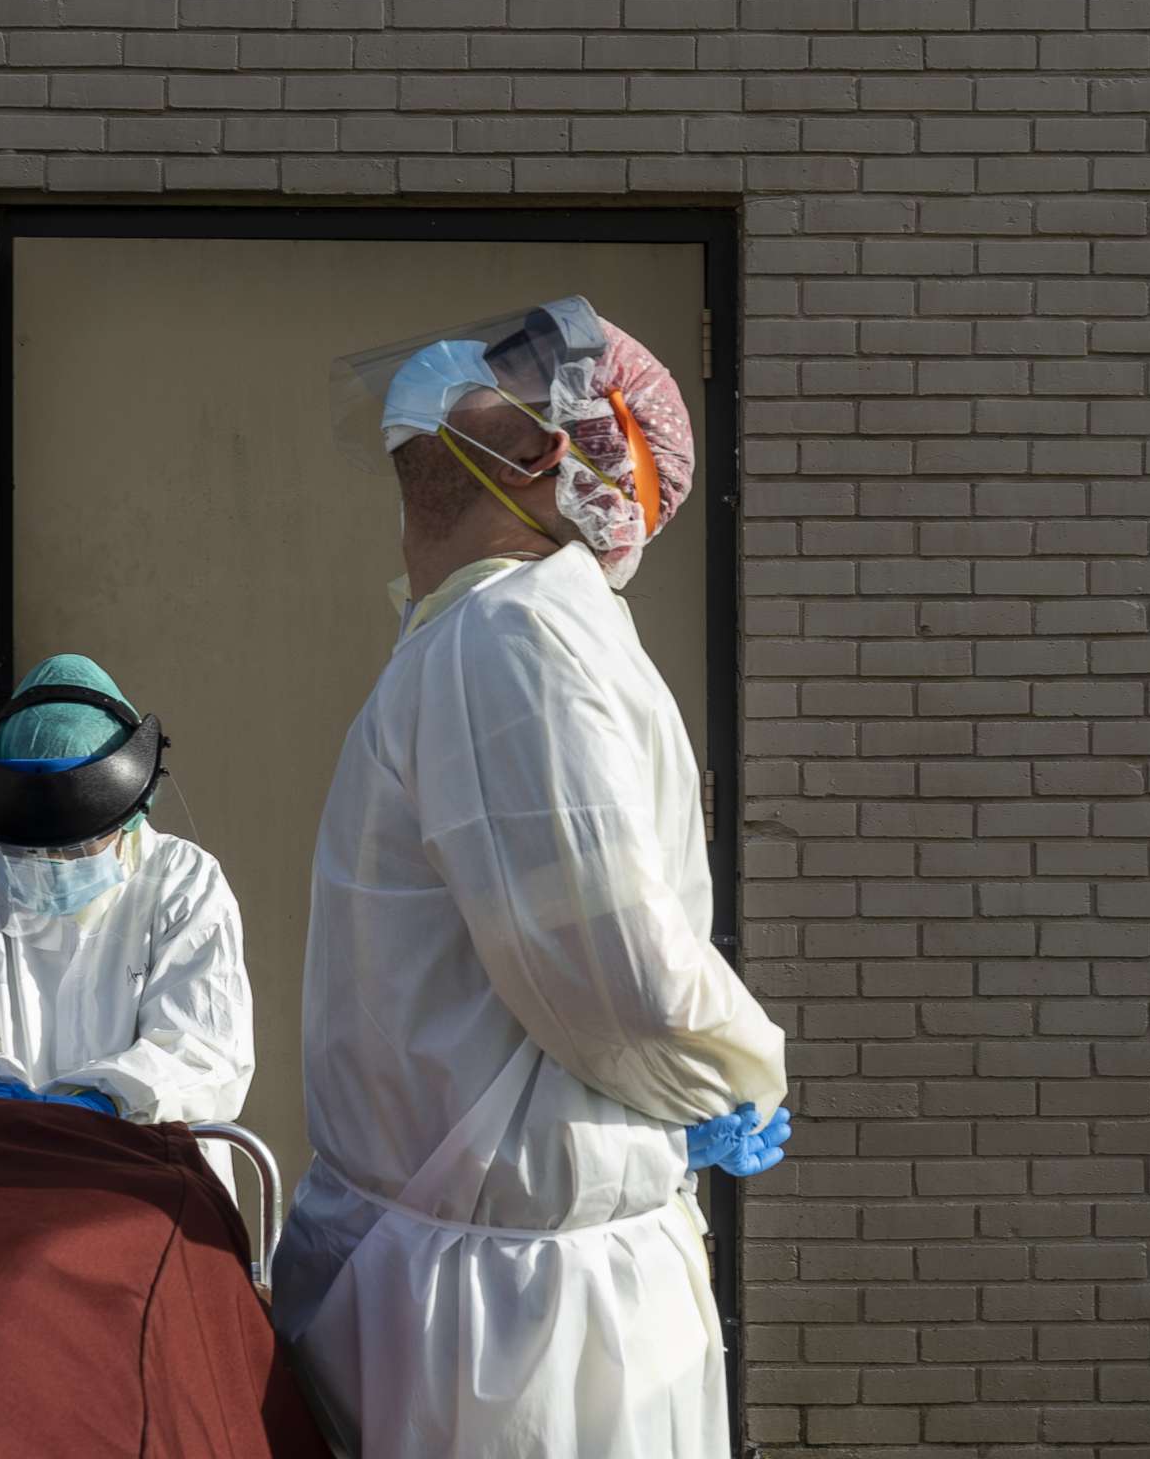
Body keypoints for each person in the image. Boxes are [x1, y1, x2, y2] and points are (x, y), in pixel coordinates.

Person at [276, 298, 793, 1458]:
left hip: (519, 1326)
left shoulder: (513, 637)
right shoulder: (477, 633)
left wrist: (735, 1073)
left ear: (552, 460)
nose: (466, 369)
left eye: (518, 382)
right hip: (476, 1280)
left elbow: (613, 973)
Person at [0, 653, 255, 1186]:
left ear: (130, 814)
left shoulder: (182, 881)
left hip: (148, 1176)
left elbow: (205, 1050)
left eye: (79, 846)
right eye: (32, 851)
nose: (56, 866)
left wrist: (112, 1100)